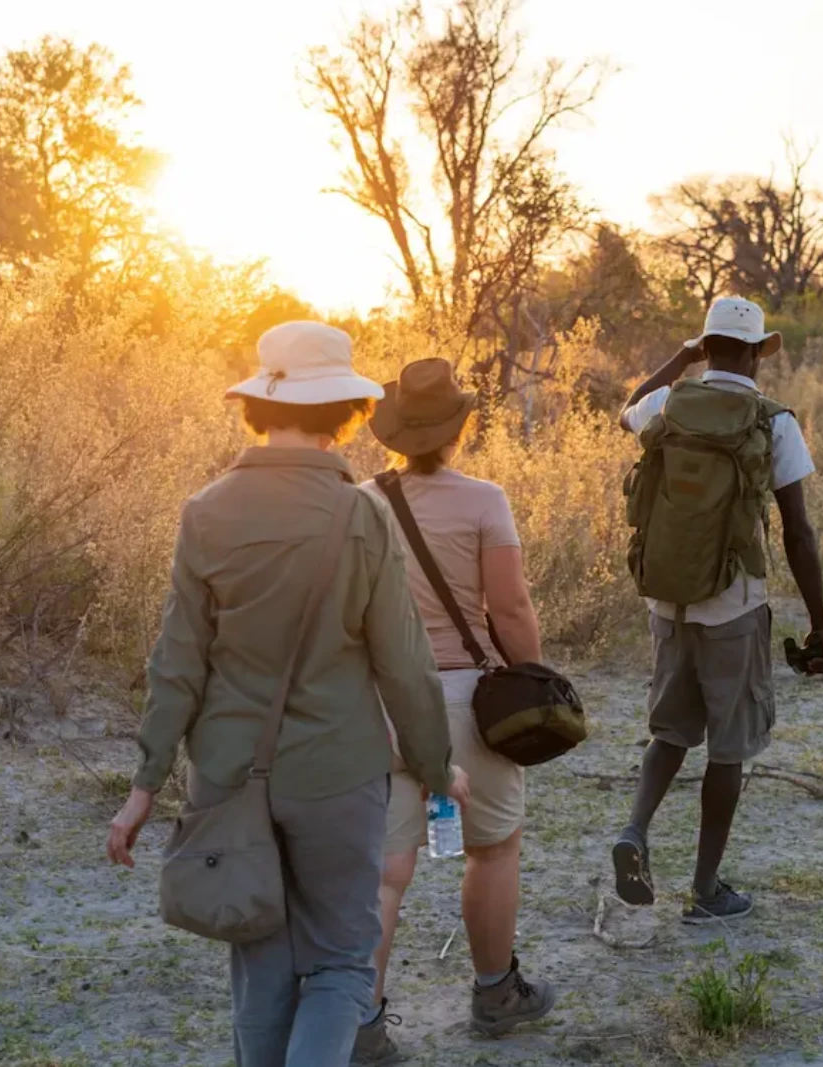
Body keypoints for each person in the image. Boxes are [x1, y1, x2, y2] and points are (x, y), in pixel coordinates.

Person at [104, 321, 467, 1067]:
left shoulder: (206, 510)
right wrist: (436, 766)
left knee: (260, 959)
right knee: (340, 960)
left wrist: (145, 782)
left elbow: (177, 660)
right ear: (347, 411)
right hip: (339, 771)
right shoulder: (360, 513)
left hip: (227, 774)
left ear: (260, 406)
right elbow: (404, 661)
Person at [355, 358, 556, 1061]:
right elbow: (508, 606)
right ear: (458, 428)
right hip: (467, 697)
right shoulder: (483, 500)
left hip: (379, 700)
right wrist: (533, 677)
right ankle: (496, 992)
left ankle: (362, 1024)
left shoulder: (361, 501)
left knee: (383, 868)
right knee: (493, 846)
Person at [611, 296, 823, 923]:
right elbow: (798, 531)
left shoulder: (669, 402)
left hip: (668, 596)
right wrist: (818, 621)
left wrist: (677, 360)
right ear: (760, 353)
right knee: (727, 748)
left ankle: (634, 830)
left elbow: (626, 409)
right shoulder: (772, 421)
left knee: (669, 730)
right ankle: (706, 890)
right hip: (734, 603)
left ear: (706, 347)